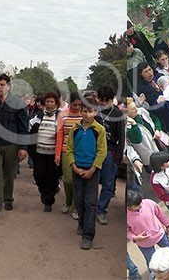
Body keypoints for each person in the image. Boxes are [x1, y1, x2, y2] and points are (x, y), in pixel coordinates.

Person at [0, 74, 31, 221]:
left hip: (11, 145)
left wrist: (23, 148)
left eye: (2, 84)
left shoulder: (18, 104)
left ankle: (8, 198)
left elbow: (23, 127)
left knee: (9, 175)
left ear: (9, 86)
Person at [64, 98, 106, 250]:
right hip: (77, 169)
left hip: (92, 171)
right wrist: (74, 167)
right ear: (80, 111)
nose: (87, 114)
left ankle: (88, 236)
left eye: (91, 111)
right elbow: (69, 150)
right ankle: (81, 223)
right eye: (85, 111)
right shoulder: (75, 129)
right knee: (79, 200)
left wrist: (93, 169)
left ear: (95, 112)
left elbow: (102, 152)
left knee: (90, 202)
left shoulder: (99, 129)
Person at [126, 190, 169, 266]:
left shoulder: (149, 203)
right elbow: (127, 231)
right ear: (129, 207)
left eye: (141, 202)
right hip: (144, 243)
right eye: (137, 205)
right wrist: (135, 238)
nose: (141, 205)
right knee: (151, 262)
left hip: (160, 235)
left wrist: (167, 225)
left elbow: (160, 214)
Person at [95, 87, 124, 225]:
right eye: (102, 99)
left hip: (110, 152)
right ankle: (91, 207)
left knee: (108, 184)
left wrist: (118, 158)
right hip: (94, 152)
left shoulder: (118, 114)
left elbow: (121, 138)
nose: (104, 102)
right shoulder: (94, 113)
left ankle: (101, 210)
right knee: (93, 181)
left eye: (107, 100)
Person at [29, 92, 61, 212]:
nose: (49, 104)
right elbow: (30, 131)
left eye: (52, 101)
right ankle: (43, 192)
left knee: (52, 178)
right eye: (47, 101)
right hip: (39, 153)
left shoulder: (59, 117)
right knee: (38, 176)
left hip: (53, 154)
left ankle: (49, 201)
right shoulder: (37, 116)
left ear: (56, 103)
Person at [56, 93, 84, 218]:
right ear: (70, 103)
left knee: (77, 181)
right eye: (75, 105)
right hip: (66, 151)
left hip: (81, 152)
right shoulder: (62, 115)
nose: (77, 107)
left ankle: (74, 207)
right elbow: (60, 136)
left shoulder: (85, 115)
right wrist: (57, 155)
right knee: (68, 180)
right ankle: (68, 200)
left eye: (80, 105)